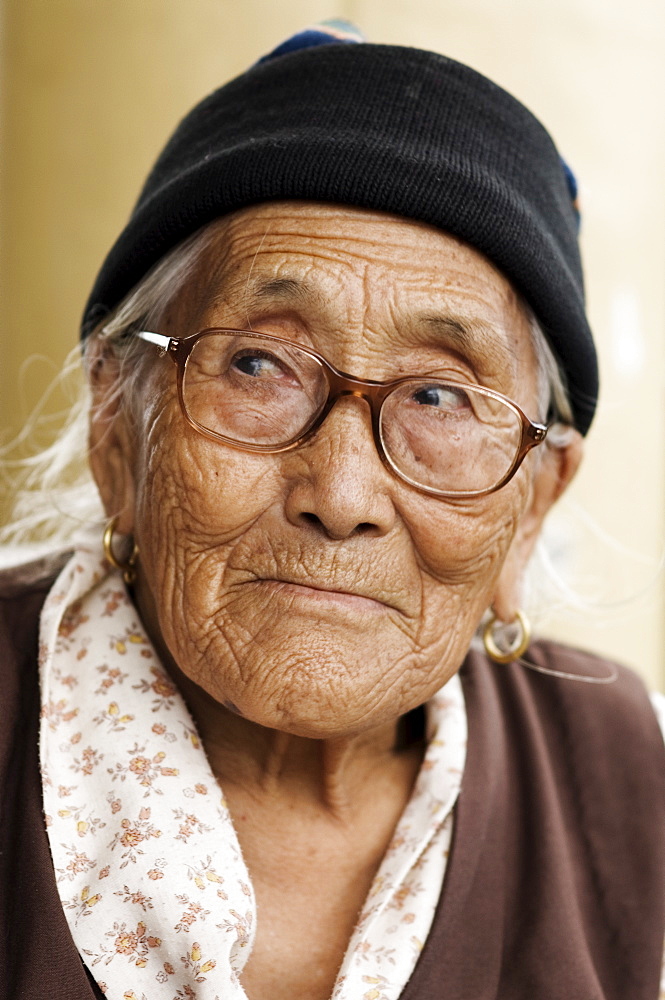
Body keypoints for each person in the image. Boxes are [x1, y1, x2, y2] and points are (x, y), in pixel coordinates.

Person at [1, 21, 664, 1000]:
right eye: (258, 364)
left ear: (531, 507)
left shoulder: (632, 783)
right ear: (117, 425)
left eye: (440, 396)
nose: (342, 496)